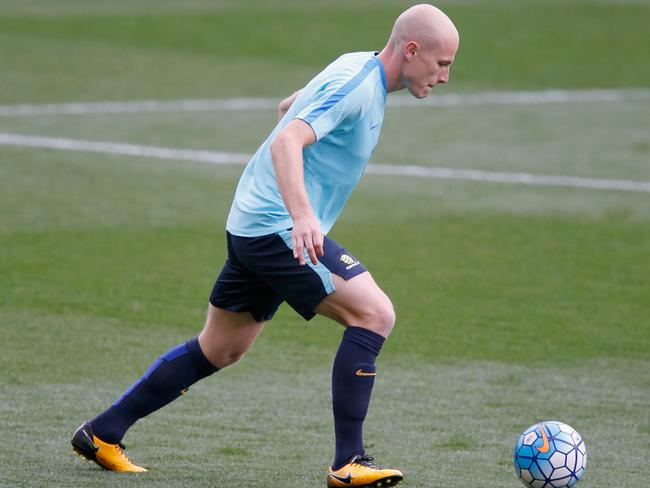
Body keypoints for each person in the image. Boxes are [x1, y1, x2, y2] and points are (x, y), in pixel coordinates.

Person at [71, 4, 459, 487]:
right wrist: (301, 216)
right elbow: (285, 140)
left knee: (221, 348)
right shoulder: (359, 87)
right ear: (412, 49)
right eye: (442, 64)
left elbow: (287, 107)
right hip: (275, 226)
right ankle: (349, 462)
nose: (445, 77)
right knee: (374, 314)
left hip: (251, 222)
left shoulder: (355, 66)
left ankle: (102, 433)